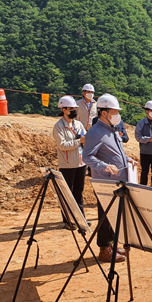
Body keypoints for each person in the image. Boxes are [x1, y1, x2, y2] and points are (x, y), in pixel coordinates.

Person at [83, 93, 139, 263]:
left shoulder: (112, 130)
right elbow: (87, 157)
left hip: (118, 181)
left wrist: (128, 159)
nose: (117, 115)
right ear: (104, 112)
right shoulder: (95, 132)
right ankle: (104, 249)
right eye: (114, 112)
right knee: (105, 216)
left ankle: (112, 245)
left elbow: (116, 153)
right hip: (105, 182)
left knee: (115, 215)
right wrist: (104, 166)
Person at [53, 96, 87, 229]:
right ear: (64, 109)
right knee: (68, 193)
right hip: (67, 165)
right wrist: (79, 141)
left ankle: (81, 218)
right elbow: (62, 145)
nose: (74, 111)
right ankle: (68, 220)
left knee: (79, 192)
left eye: (75, 108)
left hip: (80, 163)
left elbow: (86, 137)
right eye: (71, 109)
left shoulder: (78, 124)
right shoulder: (58, 127)